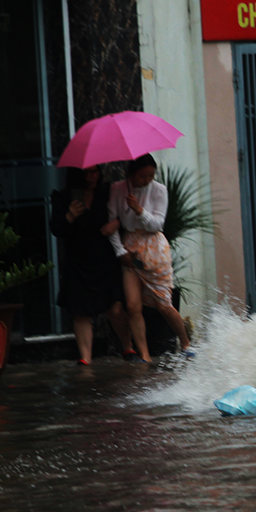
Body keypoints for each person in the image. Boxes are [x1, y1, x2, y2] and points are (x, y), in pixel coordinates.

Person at [102, 154, 193, 362]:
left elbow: (157, 225)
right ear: (130, 174)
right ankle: (144, 354)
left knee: (163, 304)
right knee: (133, 306)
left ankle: (185, 341)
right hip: (130, 249)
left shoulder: (159, 190)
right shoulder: (118, 189)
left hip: (154, 248)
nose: (147, 180)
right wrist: (120, 252)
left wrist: (139, 210)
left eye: (151, 176)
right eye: (142, 176)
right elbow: (113, 223)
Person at [49, 165, 132, 365]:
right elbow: (56, 228)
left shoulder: (108, 192)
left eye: (95, 172)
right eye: (87, 172)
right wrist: (69, 216)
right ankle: (85, 357)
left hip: (104, 256)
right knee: (80, 310)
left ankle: (128, 347)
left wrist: (117, 223)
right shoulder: (64, 196)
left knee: (114, 308)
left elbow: (128, 214)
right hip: (77, 258)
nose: (92, 176)